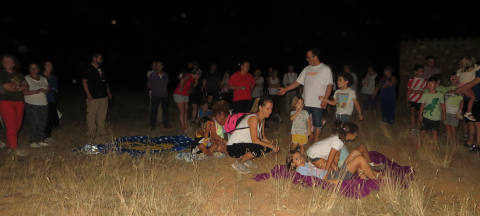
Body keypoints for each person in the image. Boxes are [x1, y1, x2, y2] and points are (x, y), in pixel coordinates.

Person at [278, 49, 334, 141]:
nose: (307, 59)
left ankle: (316, 142)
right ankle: (306, 138)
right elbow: (297, 82)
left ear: (315, 57)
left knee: (317, 124)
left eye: (308, 57)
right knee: (302, 121)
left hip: (318, 103)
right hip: (305, 102)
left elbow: (329, 85)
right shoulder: (306, 69)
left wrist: (325, 99)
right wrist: (285, 89)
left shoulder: (325, 69)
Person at [305, 121, 378, 180]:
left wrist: (335, 167)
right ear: (349, 134)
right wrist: (326, 171)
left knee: (356, 152)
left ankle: (367, 172)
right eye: (355, 134)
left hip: (315, 153)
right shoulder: (338, 141)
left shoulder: (340, 138)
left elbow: (333, 156)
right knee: (331, 174)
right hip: (314, 156)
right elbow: (331, 156)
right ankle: (374, 178)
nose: (356, 135)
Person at [227, 98, 280, 174]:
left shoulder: (262, 119)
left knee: (267, 148)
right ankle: (239, 163)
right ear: (260, 108)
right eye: (267, 109)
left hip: (242, 144)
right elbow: (255, 140)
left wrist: (272, 144)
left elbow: (262, 137)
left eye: (271, 109)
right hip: (233, 147)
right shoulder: (253, 118)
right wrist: (271, 146)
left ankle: (246, 159)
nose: (270, 111)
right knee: (260, 148)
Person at [0, 55, 28, 156]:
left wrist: (19, 87)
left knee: (18, 125)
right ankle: (13, 149)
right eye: (4, 61)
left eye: (9, 61)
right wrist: (20, 87)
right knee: (11, 125)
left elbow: (26, 86)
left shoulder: (19, 75)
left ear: (13, 63)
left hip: (19, 101)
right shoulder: (2, 74)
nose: (6, 62)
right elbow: (7, 87)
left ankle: (9, 143)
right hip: (6, 102)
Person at [288, 150, 379, 180]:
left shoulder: (306, 164)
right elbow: (313, 179)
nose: (300, 159)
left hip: (334, 172)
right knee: (360, 159)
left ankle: (363, 176)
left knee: (356, 152)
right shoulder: (299, 170)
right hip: (333, 177)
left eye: (300, 156)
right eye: (297, 159)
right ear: (292, 164)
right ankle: (375, 180)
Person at [82, 52, 112, 143]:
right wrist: (88, 95)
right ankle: (91, 135)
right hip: (93, 98)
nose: (101, 60)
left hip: (103, 97)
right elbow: (84, 82)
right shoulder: (88, 69)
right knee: (91, 117)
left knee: (102, 116)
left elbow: (105, 82)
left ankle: (102, 134)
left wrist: (108, 92)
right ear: (94, 59)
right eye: (100, 58)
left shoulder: (100, 70)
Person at [455, 61, 480, 152]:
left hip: (477, 100)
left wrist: (459, 89)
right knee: (470, 122)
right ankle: (470, 143)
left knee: (477, 124)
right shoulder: (473, 70)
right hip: (469, 99)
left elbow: (473, 83)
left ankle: (478, 145)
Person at [24, 63, 49, 148]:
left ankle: (40, 140)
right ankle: (33, 141)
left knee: (42, 122)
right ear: (29, 69)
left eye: (35, 68)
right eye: (31, 68)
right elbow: (24, 92)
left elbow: (47, 90)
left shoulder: (43, 78)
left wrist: (45, 91)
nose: (34, 70)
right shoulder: (26, 78)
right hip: (31, 104)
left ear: (38, 69)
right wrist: (37, 91)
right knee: (34, 122)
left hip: (43, 103)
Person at [419, 76, 446, 144]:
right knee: (423, 130)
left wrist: (444, 114)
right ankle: (420, 144)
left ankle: (435, 145)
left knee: (435, 132)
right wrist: (420, 115)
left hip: (436, 117)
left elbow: (443, 105)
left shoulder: (440, 95)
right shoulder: (425, 94)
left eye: (431, 84)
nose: (430, 86)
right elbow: (422, 105)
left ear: (436, 85)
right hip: (426, 116)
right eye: (428, 84)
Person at [147, 60, 170, 130]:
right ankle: (153, 125)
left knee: (165, 110)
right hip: (155, 95)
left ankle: (166, 124)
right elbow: (148, 85)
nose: (158, 66)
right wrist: (155, 88)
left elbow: (167, 82)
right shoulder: (152, 74)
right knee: (154, 110)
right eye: (157, 65)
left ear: (162, 66)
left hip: (164, 95)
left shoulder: (165, 74)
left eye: (160, 65)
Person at [456, 56, 479, 121]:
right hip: (466, 86)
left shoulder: (460, 70)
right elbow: (478, 66)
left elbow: (457, 80)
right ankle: (468, 112)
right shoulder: (474, 69)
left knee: (463, 99)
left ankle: (459, 111)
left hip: (461, 86)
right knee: (473, 97)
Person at [173, 64, 194, 132]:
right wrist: (181, 88)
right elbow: (182, 79)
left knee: (186, 110)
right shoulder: (188, 75)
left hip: (185, 95)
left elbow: (190, 86)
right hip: (179, 94)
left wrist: (189, 90)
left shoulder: (192, 78)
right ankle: (183, 127)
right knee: (182, 111)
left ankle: (186, 124)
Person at [444, 72, 464, 144]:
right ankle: (448, 143)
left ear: (458, 78)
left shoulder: (461, 88)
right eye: (451, 77)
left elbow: (462, 100)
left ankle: (454, 144)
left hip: (454, 111)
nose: (452, 79)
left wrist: (459, 111)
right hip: (446, 111)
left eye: (454, 77)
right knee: (447, 128)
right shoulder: (447, 88)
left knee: (453, 128)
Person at [407, 65, 427, 134]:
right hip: (412, 99)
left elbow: (424, 91)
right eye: (420, 71)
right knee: (412, 114)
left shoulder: (424, 81)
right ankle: (413, 128)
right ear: (415, 72)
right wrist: (407, 100)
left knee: (419, 114)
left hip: (420, 100)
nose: (421, 73)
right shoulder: (411, 80)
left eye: (422, 71)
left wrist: (415, 91)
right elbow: (409, 90)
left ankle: (418, 128)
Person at [42, 60, 59, 141]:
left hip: (52, 99)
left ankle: (48, 135)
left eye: (51, 65)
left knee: (50, 118)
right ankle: (41, 134)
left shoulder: (53, 77)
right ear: (44, 66)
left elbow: (55, 88)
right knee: (43, 118)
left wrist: (52, 89)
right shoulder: (40, 76)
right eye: (48, 65)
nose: (49, 67)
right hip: (41, 100)